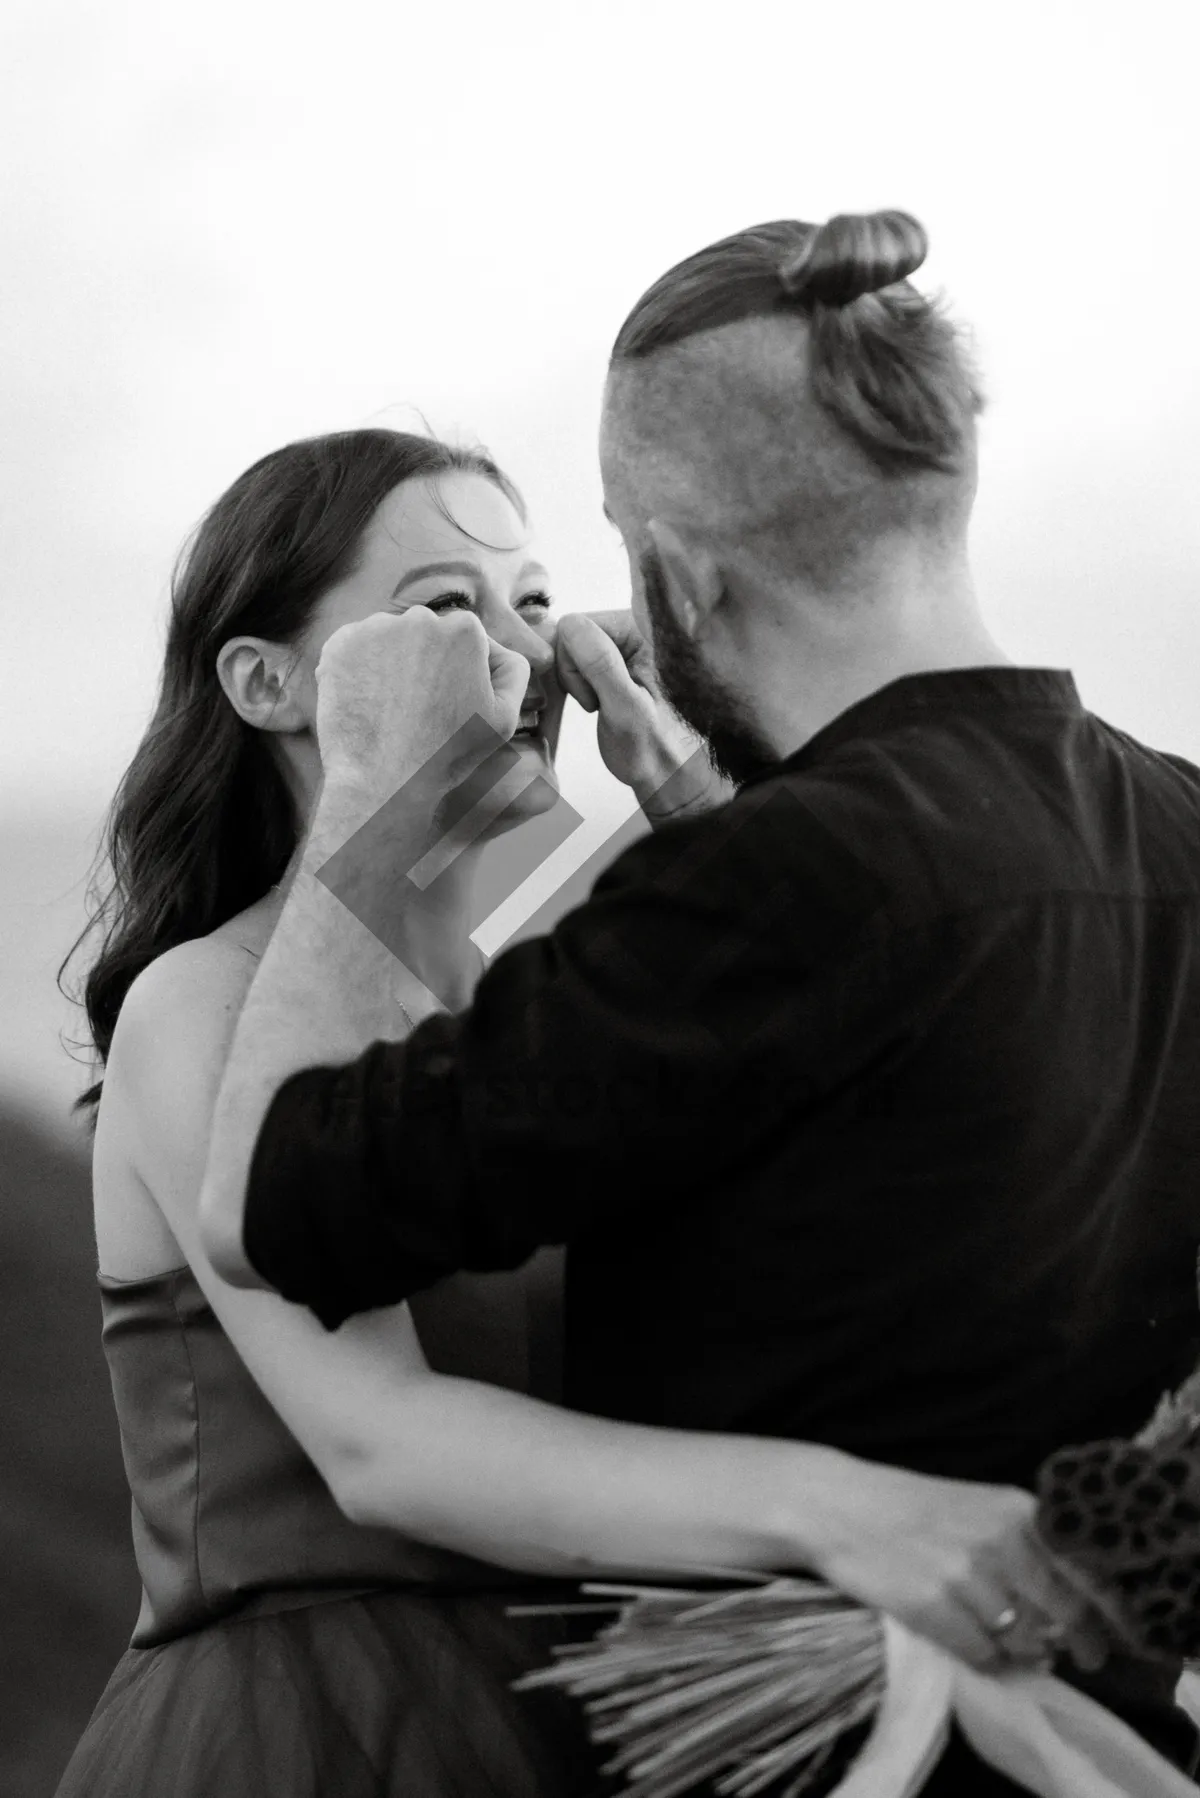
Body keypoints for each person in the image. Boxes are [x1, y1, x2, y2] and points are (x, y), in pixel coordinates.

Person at [200, 211, 1200, 1793]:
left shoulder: (778, 883)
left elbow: (285, 1196)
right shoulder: (1179, 825)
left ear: (676, 565)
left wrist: (381, 792)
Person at [54, 425, 1087, 1798]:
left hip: (594, 1710)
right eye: (445, 610)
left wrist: (692, 782)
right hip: (307, 1729)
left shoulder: (534, 1011)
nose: (524, 653)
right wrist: (851, 1516)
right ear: (266, 680)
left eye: (536, 603)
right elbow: (382, 1448)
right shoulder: (201, 1002)